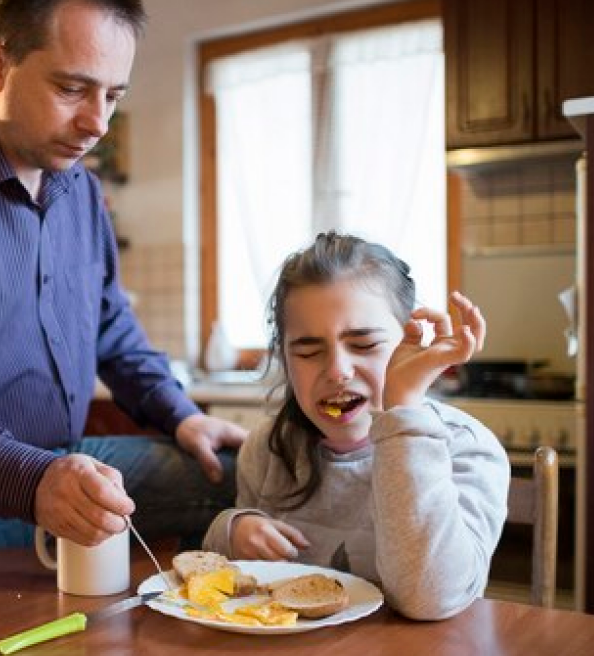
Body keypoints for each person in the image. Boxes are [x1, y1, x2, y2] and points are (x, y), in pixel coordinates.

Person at [0, 0, 247, 553]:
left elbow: (110, 325)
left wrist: (180, 415)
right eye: (72, 89)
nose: (98, 123)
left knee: (234, 473)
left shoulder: (80, 189)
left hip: (64, 460)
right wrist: (32, 480)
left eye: (112, 95)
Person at [202, 232, 510, 620]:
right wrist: (234, 529)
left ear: (411, 343)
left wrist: (404, 410)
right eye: (309, 351)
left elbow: (429, 598)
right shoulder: (270, 446)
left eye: (364, 346)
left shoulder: (467, 448)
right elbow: (241, 581)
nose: (337, 371)